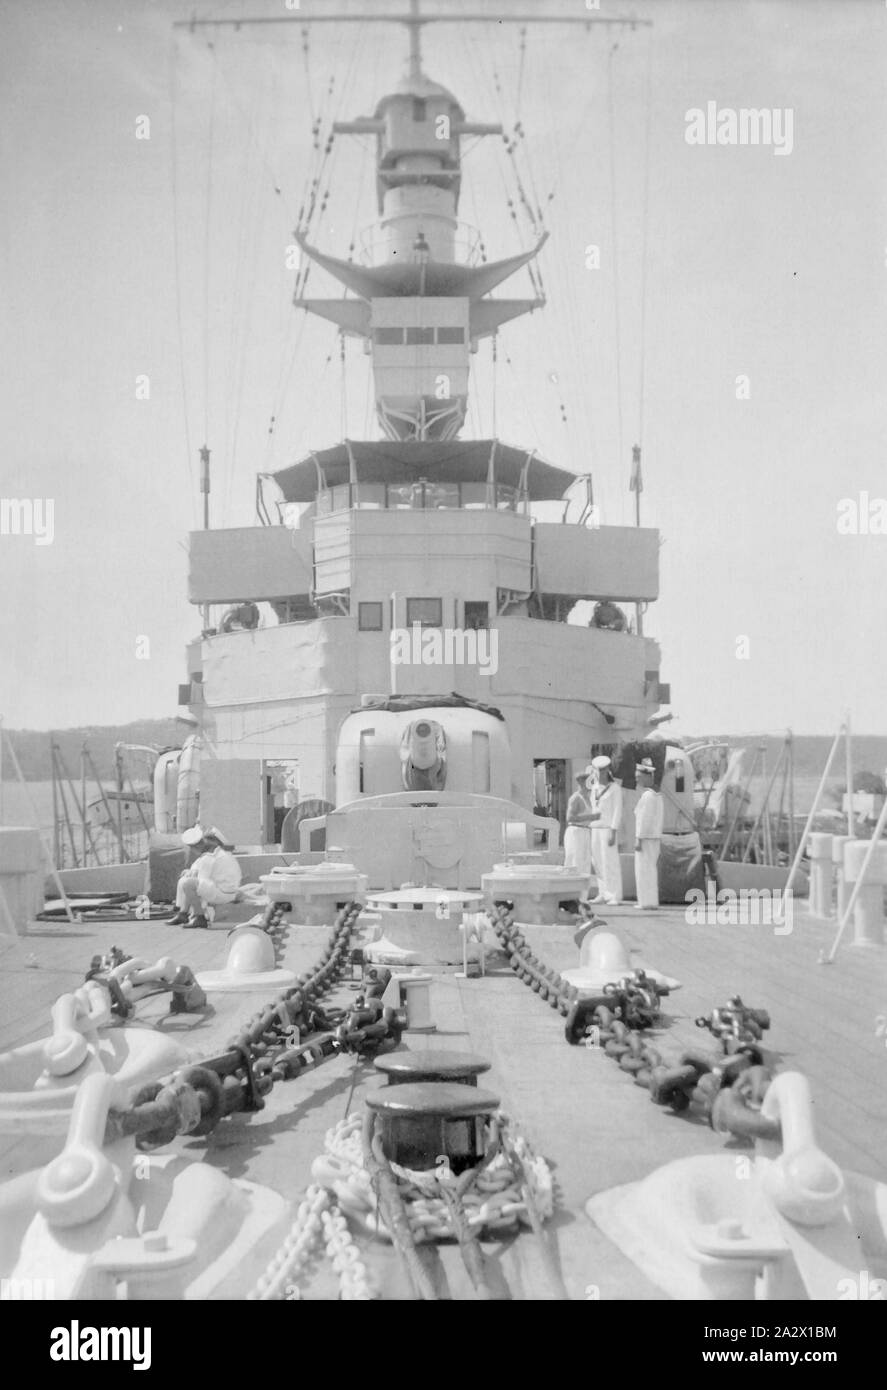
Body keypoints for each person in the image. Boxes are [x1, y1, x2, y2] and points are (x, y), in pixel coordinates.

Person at [168, 825, 242, 929]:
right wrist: (191, 873)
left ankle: (199, 917)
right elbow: (197, 869)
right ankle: (183, 914)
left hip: (223, 893)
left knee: (188, 884)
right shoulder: (217, 854)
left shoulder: (209, 857)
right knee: (184, 880)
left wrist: (193, 875)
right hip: (226, 890)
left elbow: (201, 881)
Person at [589, 755, 623, 904]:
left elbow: (617, 810)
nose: (600, 773)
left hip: (608, 828)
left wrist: (613, 830)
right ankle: (603, 893)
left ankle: (614, 894)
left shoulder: (615, 788)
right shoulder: (594, 788)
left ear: (608, 770)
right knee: (597, 862)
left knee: (610, 862)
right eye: (598, 770)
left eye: (603, 770)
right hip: (595, 828)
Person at [634, 758, 664, 910]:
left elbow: (643, 820)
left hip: (646, 838)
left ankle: (645, 901)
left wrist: (638, 838)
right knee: (651, 869)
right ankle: (651, 900)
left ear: (647, 776)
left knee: (643, 870)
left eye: (639, 777)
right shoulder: (657, 795)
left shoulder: (648, 796)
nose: (637, 780)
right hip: (654, 837)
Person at [563, 769, 596, 877]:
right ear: (582, 783)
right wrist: (590, 817)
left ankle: (583, 889)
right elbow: (570, 817)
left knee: (585, 861)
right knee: (575, 861)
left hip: (586, 831)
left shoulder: (589, 798)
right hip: (576, 832)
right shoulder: (575, 798)